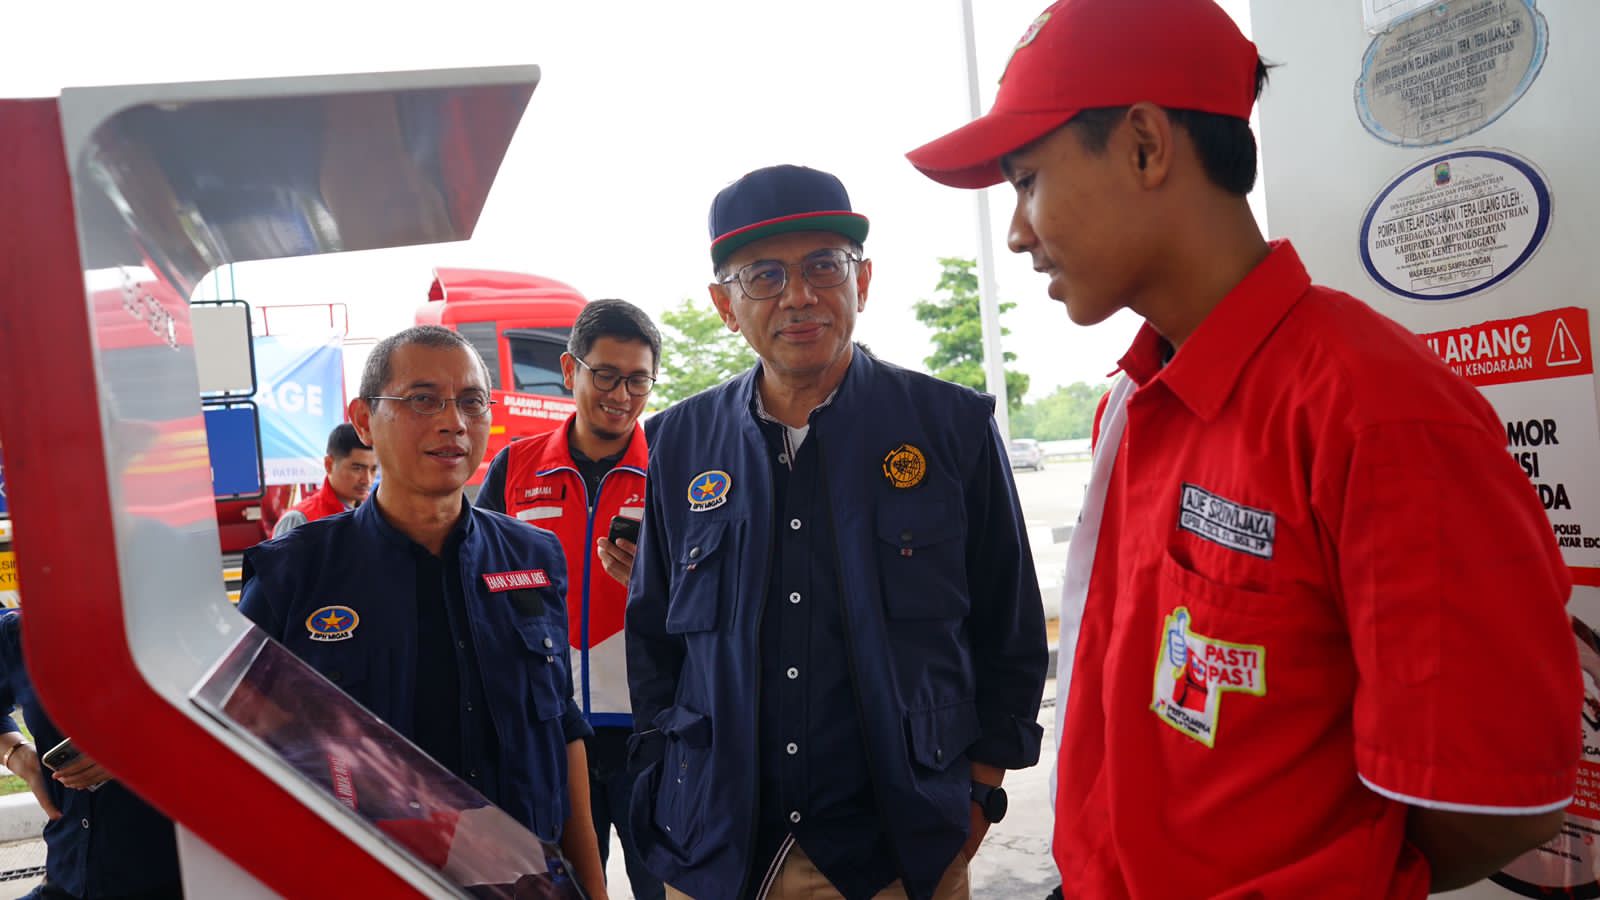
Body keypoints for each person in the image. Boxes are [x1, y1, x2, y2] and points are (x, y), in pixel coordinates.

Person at [906, 0, 1581, 896]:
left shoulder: (1374, 414)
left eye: (1027, 179)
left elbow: (1495, 807)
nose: (1019, 230)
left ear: (1146, 145)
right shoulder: (1131, 404)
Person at [626, 164, 1048, 900]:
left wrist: (978, 799)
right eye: (764, 275)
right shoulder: (675, 445)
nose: (799, 295)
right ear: (725, 305)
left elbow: (1009, 634)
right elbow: (654, 648)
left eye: (825, 265)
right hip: (721, 852)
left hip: (899, 851)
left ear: (864, 281)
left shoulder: (951, 430)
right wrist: (672, 787)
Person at [239, 325, 608, 899]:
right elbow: (238, 753)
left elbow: (561, 727)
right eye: (423, 399)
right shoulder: (295, 577)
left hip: (525, 881)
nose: (454, 422)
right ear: (364, 420)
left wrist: (593, 887)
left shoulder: (534, 556)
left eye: (471, 402)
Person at [478, 298, 664, 900]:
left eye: (637, 379)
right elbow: (474, 580)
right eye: (605, 374)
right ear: (569, 371)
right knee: (561, 890)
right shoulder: (513, 466)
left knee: (664, 887)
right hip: (547, 733)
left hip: (650, 736)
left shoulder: (672, 470)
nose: (621, 393)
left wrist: (659, 581)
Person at [0, 611, 182, 900]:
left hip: (168, 877)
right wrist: (18, 756)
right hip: (66, 876)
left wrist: (140, 749)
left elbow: (250, 724)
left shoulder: (185, 629)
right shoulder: (20, 634)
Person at [270, 423, 377, 537]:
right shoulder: (299, 520)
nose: (367, 479)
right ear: (329, 464)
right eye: (357, 468)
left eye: (373, 469)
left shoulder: (375, 516)